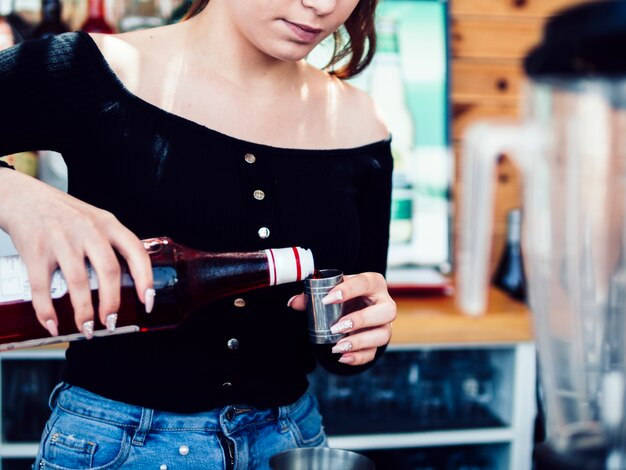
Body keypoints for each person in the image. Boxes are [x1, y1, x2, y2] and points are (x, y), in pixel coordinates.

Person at [0, 0, 396, 468]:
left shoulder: (360, 123)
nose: (323, 5)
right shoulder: (95, 69)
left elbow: (346, 340)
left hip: (292, 443)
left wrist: (364, 328)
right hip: (119, 448)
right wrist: (16, 197)